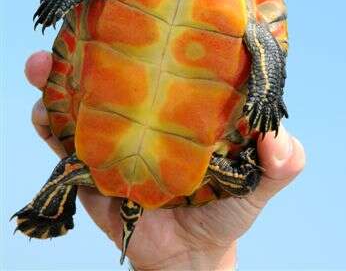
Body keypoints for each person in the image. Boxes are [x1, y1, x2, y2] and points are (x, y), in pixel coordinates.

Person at [25, 50, 305, 271]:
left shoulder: (92, 162)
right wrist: (187, 262)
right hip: (231, 33)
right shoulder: (194, 174)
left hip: (131, 7)